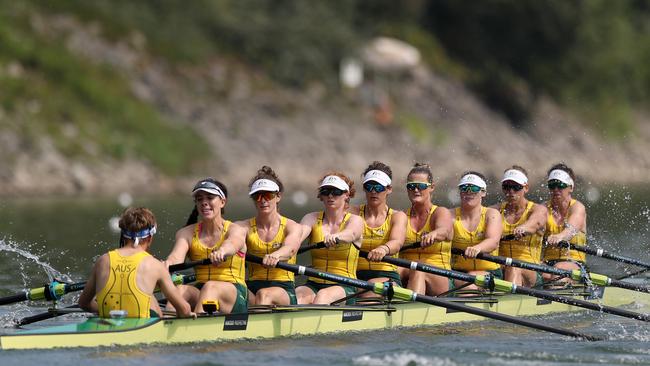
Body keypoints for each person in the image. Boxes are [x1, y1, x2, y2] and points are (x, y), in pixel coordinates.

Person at [78, 207, 193, 318]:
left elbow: (83, 303)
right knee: (150, 298)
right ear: (150, 237)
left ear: (123, 235)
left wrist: (107, 311)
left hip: (107, 325)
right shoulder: (155, 265)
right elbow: (184, 310)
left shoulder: (103, 260)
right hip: (142, 330)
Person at [164, 178, 248, 314]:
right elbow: (176, 257)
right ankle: (167, 324)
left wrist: (222, 251)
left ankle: (194, 328)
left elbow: (232, 244)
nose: (204, 203)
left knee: (210, 287)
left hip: (234, 292)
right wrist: (167, 264)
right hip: (202, 289)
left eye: (210, 198)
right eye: (199, 199)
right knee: (179, 290)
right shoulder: (186, 233)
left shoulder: (236, 229)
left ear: (222, 202)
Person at [296, 173, 364, 305]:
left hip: (345, 285)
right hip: (313, 283)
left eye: (336, 192)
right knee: (297, 296)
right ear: (321, 196)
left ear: (346, 195)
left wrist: (337, 236)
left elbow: (351, 233)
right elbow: (297, 237)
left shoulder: (355, 220)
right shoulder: (311, 218)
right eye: (326, 191)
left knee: (323, 296)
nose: (330, 196)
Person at [240, 166, 302, 305]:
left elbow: (290, 248)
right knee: (227, 288)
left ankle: (254, 324)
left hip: (283, 287)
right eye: (258, 196)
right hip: (252, 285)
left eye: (268, 195)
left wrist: (276, 255)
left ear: (278, 196)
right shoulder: (242, 227)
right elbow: (233, 240)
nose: (262, 200)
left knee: (263, 295)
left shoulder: (292, 227)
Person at [349, 161, 406, 296]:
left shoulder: (397, 216)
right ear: (364, 188)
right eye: (369, 187)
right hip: (354, 275)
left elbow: (397, 242)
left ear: (389, 189)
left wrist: (383, 249)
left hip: (386, 276)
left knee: (367, 292)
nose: (373, 191)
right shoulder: (352, 212)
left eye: (379, 187)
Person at [398, 163, 454, 295]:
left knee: (418, 268)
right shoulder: (401, 216)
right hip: (408, 270)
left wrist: (433, 234)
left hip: (440, 276)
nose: (416, 190)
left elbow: (444, 231)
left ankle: (412, 310)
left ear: (432, 187)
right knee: (390, 270)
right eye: (411, 186)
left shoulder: (440, 212)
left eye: (421, 186)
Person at [492, 166, 546, 287]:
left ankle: (507, 303)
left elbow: (535, 223)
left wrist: (524, 228)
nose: (510, 191)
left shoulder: (537, 209)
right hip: (499, 266)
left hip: (529, 268)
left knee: (514, 267)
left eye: (516, 187)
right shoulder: (493, 211)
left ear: (526, 188)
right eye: (506, 187)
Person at [451, 171, 503, 291]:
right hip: (457, 272)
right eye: (464, 188)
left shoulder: (491, 214)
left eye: (474, 188)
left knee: (470, 280)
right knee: (468, 281)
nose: (468, 192)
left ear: (483, 192)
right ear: (460, 192)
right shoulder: (450, 215)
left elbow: (493, 241)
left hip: (489, 272)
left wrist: (478, 248)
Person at [542, 163, 587, 280]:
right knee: (535, 271)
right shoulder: (543, 209)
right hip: (547, 263)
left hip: (574, 263)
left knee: (558, 269)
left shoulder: (577, 207)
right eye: (552, 185)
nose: (555, 189)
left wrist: (560, 236)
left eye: (560, 185)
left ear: (570, 187)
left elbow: (571, 229)